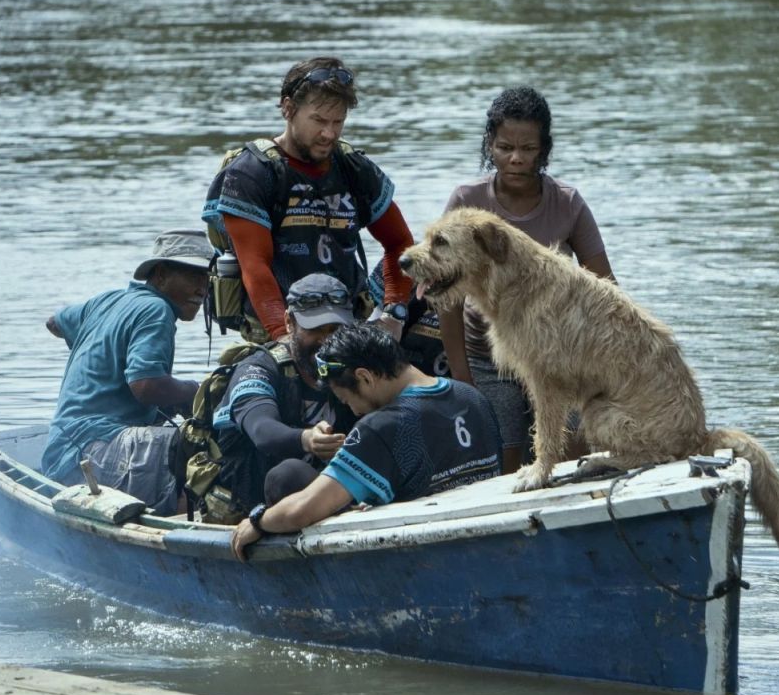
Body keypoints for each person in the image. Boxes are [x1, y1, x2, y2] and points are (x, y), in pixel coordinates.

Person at [438, 86, 617, 475]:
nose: (516, 159)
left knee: (575, 451)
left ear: (544, 149)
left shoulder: (567, 203)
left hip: (559, 355)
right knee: (502, 455)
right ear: (490, 144)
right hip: (489, 357)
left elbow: (606, 290)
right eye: (504, 147)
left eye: (528, 149)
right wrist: (462, 378)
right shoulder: (467, 200)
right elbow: (447, 298)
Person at [230, 323, 502, 561]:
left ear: (365, 377)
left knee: (286, 476)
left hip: (422, 554)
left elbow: (301, 511)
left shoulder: (381, 427)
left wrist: (258, 521)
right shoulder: (472, 397)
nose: (356, 411)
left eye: (347, 400)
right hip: (483, 534)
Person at [201, 55, 414, 344]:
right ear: (288, 109)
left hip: (347, 321)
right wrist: (283, 338)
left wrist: (393, 312)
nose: (329, 133)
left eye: (338, 122)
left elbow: (400, 244)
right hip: (280, 325)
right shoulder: (252, 173)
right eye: (319, 121)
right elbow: (255, 266)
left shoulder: (354, 168)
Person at [40, 229, 210, 515]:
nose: (202, 288)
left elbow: (54, 323)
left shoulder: (107, 300)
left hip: (62, 447)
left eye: (207, 278)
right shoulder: (156, 310)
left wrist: (102, 354)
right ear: (160, 274)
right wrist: (198, 391)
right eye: (193, 276)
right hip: (93, 452)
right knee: (202, 444)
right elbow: (145, 386)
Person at [205, 273, 360, 524]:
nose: (326, 341)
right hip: (256, 503)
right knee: (289, 473)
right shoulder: (258, 368)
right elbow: (262, 430)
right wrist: (307, 439)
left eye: (335, 330)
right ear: (289, 322)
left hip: (330, 494)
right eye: (315, 329)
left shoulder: (354, 367)